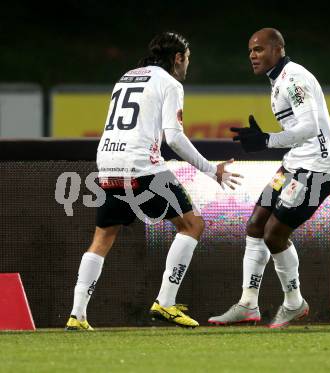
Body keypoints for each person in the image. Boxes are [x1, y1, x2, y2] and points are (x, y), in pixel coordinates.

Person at [65, 31, 241, 330]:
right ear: (177, 58)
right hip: (140, 164)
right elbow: (174, 137)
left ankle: (77, 314)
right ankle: (166, 302)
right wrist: (212, 170)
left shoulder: (127, 76)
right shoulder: (170, 83)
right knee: (192, 224)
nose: (186, 66)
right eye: (186, 60)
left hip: (107, 162)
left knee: (103, 237)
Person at [208, 28, 330, 328]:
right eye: (250, 51)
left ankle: (294, 303)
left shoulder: (293, 79)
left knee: (274, 234)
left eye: (259, 49)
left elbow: (309, 127)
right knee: (255, 224)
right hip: (292, 166)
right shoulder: (279, 79)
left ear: (278, 49)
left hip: (316, 171)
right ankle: (247, 304)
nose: (253, 56)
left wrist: (267, 140)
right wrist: (271, 142)